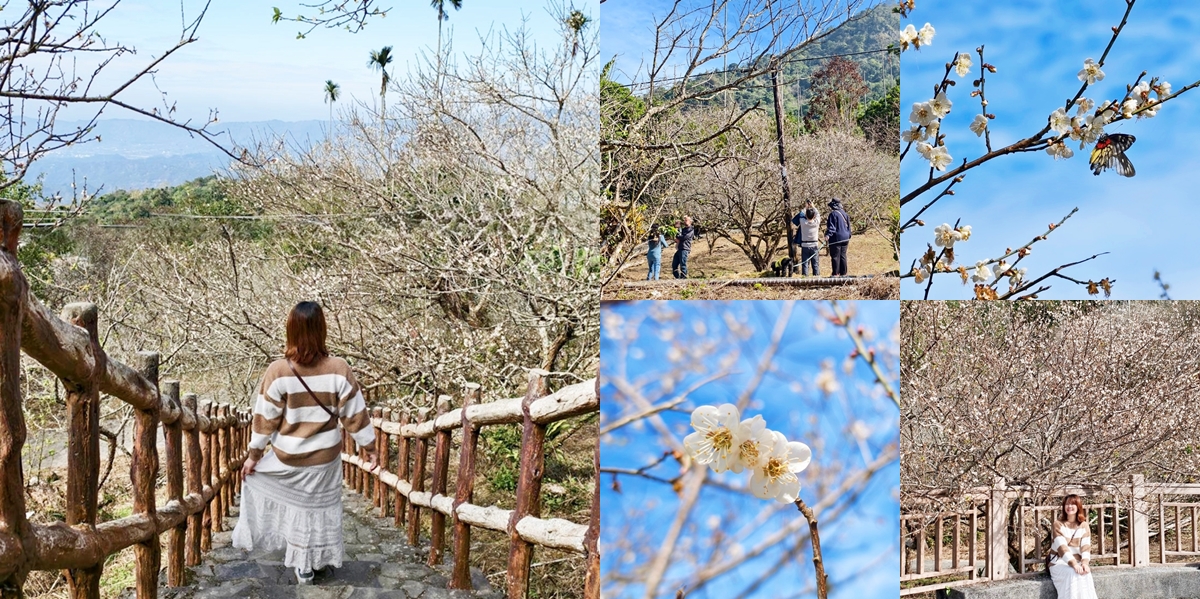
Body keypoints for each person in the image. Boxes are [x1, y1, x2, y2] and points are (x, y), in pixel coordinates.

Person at [233, 301, 380, 585]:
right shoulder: (339, 369)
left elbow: (264, 421)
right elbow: (355, 416)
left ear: (291, 331)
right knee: (318, 509)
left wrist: (253, 456)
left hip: (289, 458)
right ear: (322, 330)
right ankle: (314, 559)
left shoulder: (278, 371)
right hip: (324, 461)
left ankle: (303, 565)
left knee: (297, 507)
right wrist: (370, 448)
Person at [1047, 494, 1097, 599]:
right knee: (1072, 573)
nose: (1069, 506)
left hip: (1077, 563)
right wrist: (1074, 564)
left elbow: (1086, 547)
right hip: (1058, 562)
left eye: (1073, 504)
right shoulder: (1058, 524)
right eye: (1067, 504)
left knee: (1086, 574)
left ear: (1078, 506)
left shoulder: (1084, 525)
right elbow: (1062, 547)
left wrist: (1084, 563)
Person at [791, 203, 821, 276]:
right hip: (814, 245)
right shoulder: (816, 223)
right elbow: (818, 214)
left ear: (806, 215)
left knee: (805, 264)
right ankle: (816, 278)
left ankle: (805, 278)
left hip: (805, 245)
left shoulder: (803, 222)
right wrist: (813, 207)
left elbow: (801, 214)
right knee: (815, 264)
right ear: (813, 216)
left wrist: (806, 207)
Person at [825, 198, 852, 276]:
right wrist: (849, 234)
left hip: (836, 238)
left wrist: (828, 235)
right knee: (843, 255)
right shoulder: (845, 213)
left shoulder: (833, 214)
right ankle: (844, 273)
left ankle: (836, 273)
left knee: (835, 256)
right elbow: (849, 226)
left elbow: (832, 227)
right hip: (845, 237)